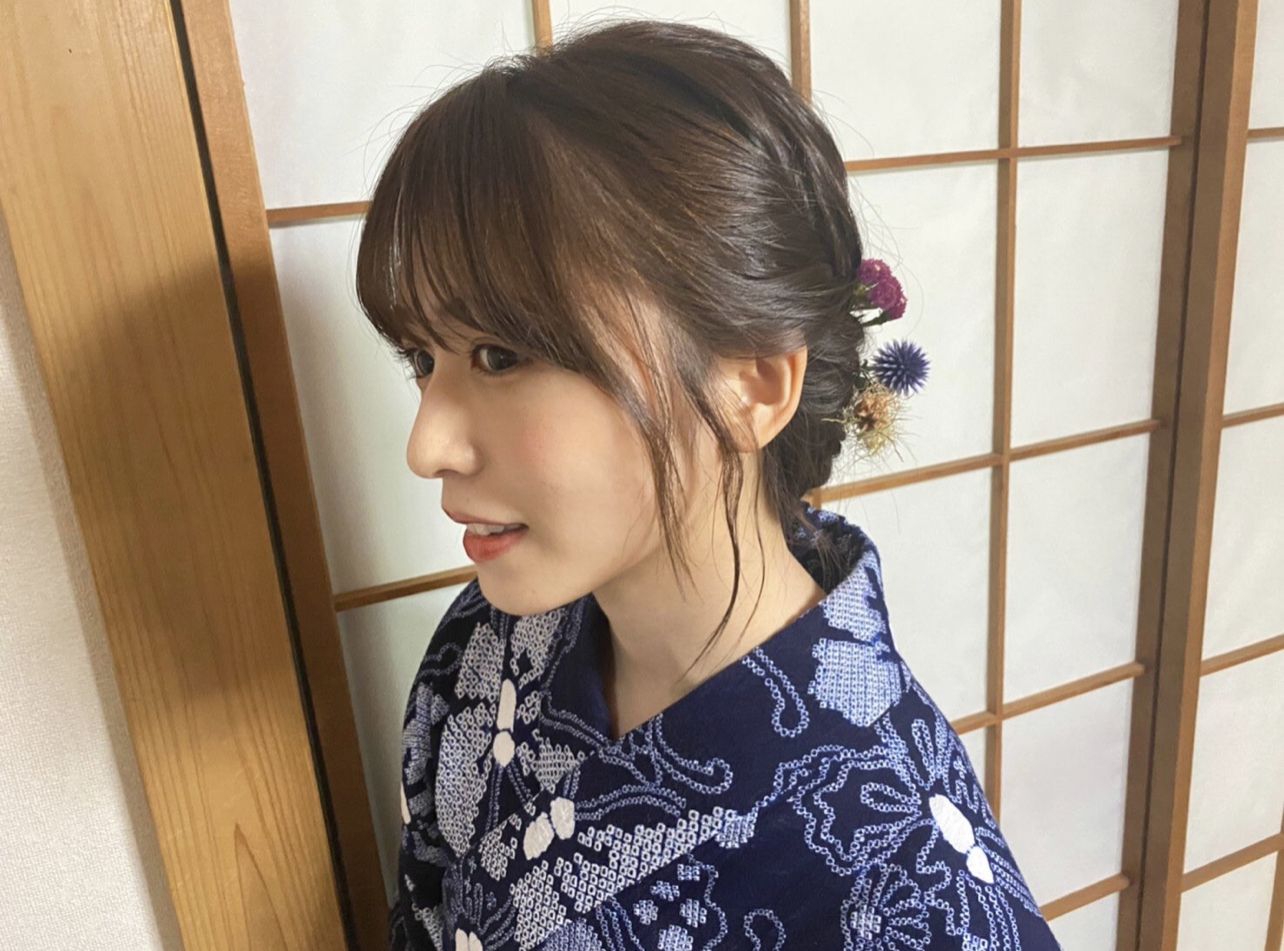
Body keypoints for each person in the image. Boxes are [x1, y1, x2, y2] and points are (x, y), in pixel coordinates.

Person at [355, 17, 1062, 950]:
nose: (427, 444)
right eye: (421, 357)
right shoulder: (488, 647)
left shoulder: (916, 891)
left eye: (499, 354)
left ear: (751, 385)